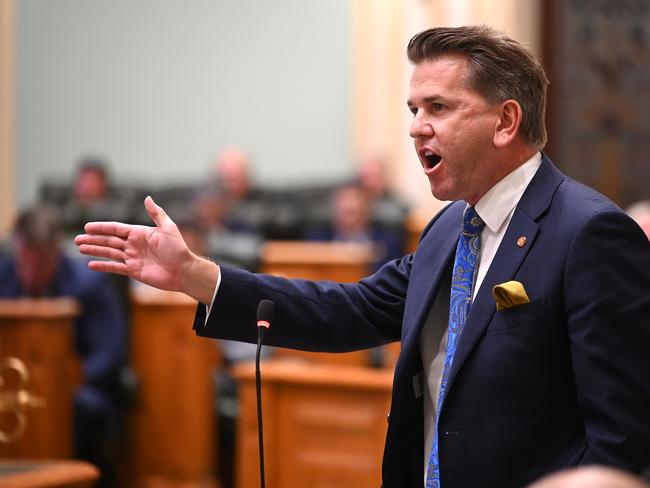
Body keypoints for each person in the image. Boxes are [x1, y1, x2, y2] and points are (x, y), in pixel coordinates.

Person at [75, 25, 650, 488]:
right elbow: (348, 311)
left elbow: (621, 436)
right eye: (412, 108)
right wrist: (196, 276)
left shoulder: (589, 233)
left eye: (438, 108)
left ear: (505, 121)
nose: (416, 127)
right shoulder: (450, 227)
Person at [1, 205, 127, 487]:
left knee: (82, 408)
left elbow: (109, 353)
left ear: (55, 253)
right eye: (26, 260)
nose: (32, 272)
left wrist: (62, 383)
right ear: (17, 249)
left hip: (74, 388)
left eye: (41, 262)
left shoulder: (90, 283)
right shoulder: (2, 276)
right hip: (10, 386)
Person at [305, 182, 405, 272]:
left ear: (367, 208)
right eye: (342, 200)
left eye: (354, 202)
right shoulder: (317, 240)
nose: (347, 206)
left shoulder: (387, 242)